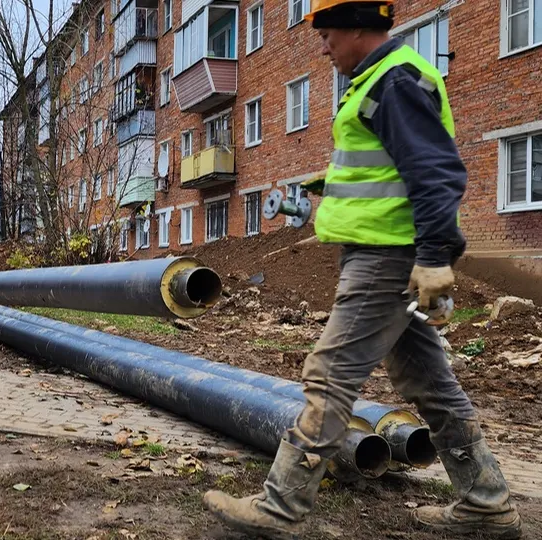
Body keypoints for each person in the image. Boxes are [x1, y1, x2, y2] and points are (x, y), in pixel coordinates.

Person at [201, 1, 522, 539]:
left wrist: (436, 254)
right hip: (381, 252)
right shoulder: (376, 80)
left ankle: (278, 509)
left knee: (329, 376)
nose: (322, 47)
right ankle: (486, 503)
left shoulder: (394, 81)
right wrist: (331, 185)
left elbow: (437, 170)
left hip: (385, 259)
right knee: (427, 381)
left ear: (356, 28)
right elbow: (389, 167)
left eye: (326, 34)